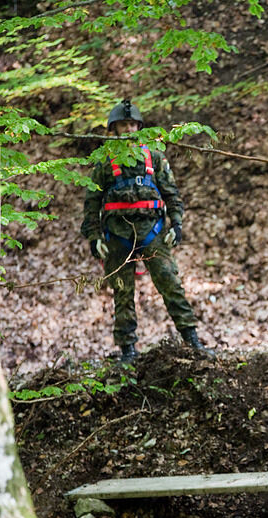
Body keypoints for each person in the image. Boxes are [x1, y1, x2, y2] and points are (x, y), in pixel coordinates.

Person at [81, 99, 212, 364]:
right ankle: (127, 350)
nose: (128, 129)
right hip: (117, 235)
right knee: (122, 291)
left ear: (139, 126)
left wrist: (176, 224)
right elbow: (91, 201)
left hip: (153, 231)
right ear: (113, 129)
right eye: (122, 125)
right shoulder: (104, 161)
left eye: (132, 124)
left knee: (171, 284)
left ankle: (192, 340)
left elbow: (172, 194)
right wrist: (94, 237)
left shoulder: (154, 156)